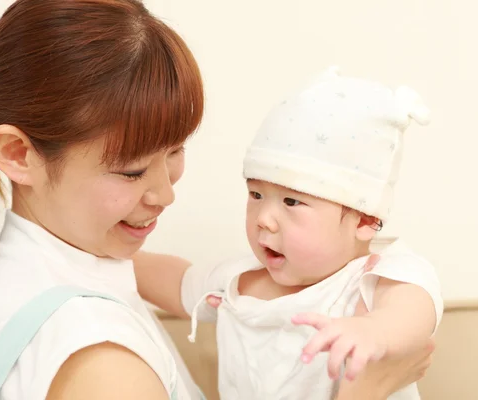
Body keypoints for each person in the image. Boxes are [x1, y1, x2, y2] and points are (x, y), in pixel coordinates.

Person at [135, 67, 443, 399]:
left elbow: (412, 313)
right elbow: (180, 282)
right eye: (255, 195)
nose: (263, 219)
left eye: (292, 201)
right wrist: (110, 258)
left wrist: (375, 331)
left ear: (364, 221)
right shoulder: (240, 281)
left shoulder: (376, 279)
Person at [0, 0, 205, 398]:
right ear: (17, 154)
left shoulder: (34, 272)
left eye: (176, 150)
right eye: (131, 171)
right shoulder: (103, 363)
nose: (166, 194)